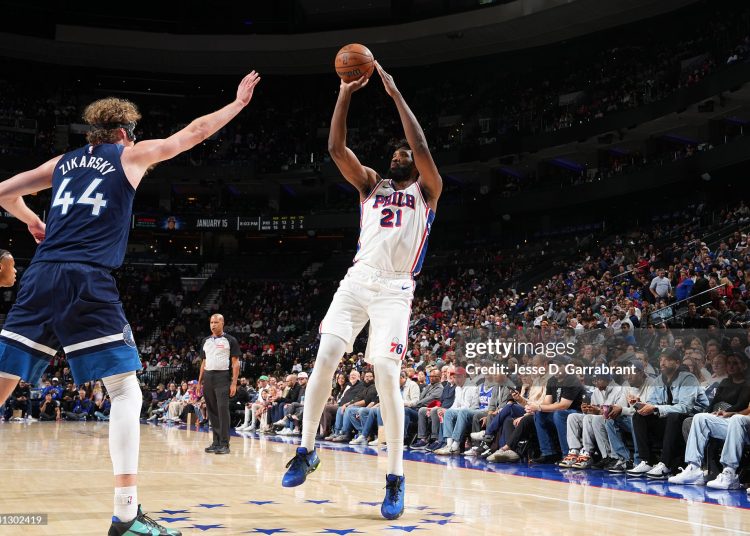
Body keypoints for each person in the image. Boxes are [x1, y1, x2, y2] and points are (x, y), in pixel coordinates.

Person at [0, 71, 260, 536]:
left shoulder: (63, 162)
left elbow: (3, 192)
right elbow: (192, 133)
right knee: (124, 391)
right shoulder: (130, 155)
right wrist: (238, 105)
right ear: (124, 132)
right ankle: (125, 515)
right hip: (86, 278)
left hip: (40, 274)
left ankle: (127, 514)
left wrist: (32, 222)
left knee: (2, 382)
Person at [281, 61, 442, 521]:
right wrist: (345, 91)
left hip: (395, 290)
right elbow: (335, 147)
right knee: (326, 357)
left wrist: (393, 94)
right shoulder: (371, 183)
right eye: (394, 155)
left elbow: (422, 144)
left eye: (403, 155)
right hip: (357, 280)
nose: (399, 157)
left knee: (387, 376)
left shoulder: (428, 192)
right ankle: (306, 449)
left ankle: (394, 477)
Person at [198, 313, 240, 455]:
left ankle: (224, 444)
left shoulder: (230, 340)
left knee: (222, 410)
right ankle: (216, 442)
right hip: (208, 377)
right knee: (212, 410)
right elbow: (203, 363)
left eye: (216, 322)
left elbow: (235, 363)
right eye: (211, 322)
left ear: (222, 323)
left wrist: (234, 383)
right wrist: (199, 382)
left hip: (222, 377)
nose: (213, 325)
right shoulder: (205, 341)